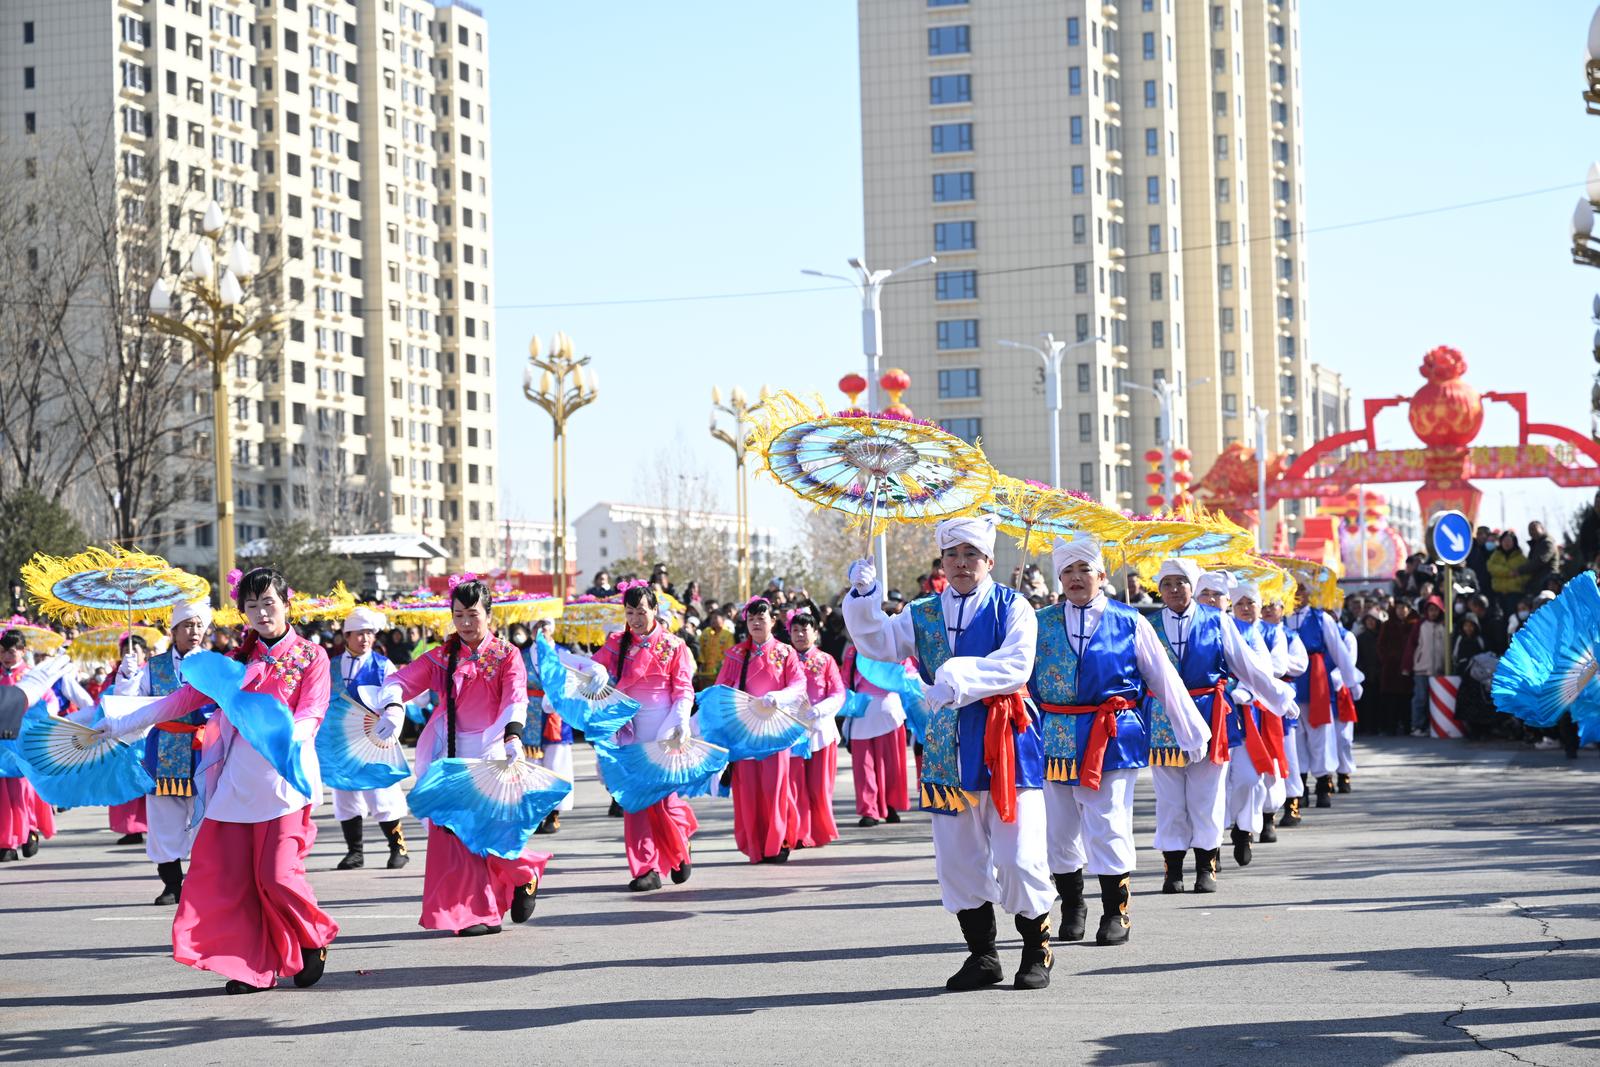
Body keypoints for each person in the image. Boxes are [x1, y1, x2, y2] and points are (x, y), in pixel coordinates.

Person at [94, 568, 338, 994]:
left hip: (285, 778)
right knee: (231, 878)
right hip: (237, 783)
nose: (262, 613)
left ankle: (311, 936)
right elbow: (182, 699)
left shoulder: (311, 656)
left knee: (277, 875)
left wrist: (284, 738)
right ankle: (251, 967)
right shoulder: (235, 662)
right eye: (252, 606)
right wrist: (120, 723)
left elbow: (312, 712)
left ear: (287, 605)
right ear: (243, 612)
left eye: (269, 603)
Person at [842, 515, 1054, 992]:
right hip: (947, 746)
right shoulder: (922, 611)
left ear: (989, 561)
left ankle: (1036, 948)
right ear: (941, 561)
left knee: (1018, 856)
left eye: (970, 555)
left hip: (1005, 740)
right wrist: (863, 597)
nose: (961, 563)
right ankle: (983, 955)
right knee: (957, 858)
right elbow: (878, 643)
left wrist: (956, 677)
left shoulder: (1013, 605)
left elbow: (1017, 664)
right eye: (952, 555)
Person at [1030, 538, 1207, 947]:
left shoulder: (1129, 621)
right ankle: (1073, 904)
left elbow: (1163, 676)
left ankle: (1115, 910)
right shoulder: (1039, 622)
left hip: (1112, 734)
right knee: (1058, 827)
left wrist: (1191, 730)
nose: (1076, 578)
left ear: (1102, 575)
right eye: (1068, 571)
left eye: (1084, 570)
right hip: (1056, 736)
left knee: (1108, 820)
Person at [375, 578, 546, 936]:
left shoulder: (506, 655)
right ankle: (479, 911)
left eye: (472, 614)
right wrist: (393, 706)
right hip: (448, 755)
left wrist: (512, 736)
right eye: (458, 615)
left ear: (488, 615)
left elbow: (515, 698)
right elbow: (400, 681)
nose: (465, 623)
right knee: (453, 836)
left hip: (491, 754)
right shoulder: (442, 656)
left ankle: (521, 873)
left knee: (486, 833)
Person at [1149, 563, 1294, 887]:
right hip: (1164, 717)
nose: (1174, 589)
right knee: (1170, 799)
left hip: (1209, 714)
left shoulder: (1217, 620)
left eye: (1181, 582)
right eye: (1167, 583)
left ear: (1193, 585)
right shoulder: (1147, 624)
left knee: (1207, 795)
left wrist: (1279, 696)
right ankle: (1173, 869)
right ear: (1159, 590)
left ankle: (1206, 866)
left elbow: (1247, 666)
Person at [590, 582, 698, 891]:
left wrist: (680, 720)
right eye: (630, 613)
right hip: (628, 730)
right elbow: (594, 671)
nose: (635, 619)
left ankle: (680, 842)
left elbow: (683, 688)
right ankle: (645, 869)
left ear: (654, 611)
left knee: (665, 801)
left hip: (663, 728)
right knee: (634, 801)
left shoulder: (674, 645)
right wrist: (595, 674)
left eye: (641, 612)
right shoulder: (616, 643)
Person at [109, 599, 217, 904]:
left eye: (198, 625)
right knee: (163, 819)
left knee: (207, 818)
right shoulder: (154, 667)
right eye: (187, 625)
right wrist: (127, 677)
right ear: (173, 630)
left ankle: (204, 882)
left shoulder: (215, 664)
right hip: (164, 750)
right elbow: (130, 705)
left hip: (205, 749)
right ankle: (172, 884)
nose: (194, 631)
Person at [715, 598, 806, 865]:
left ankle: (777, 842)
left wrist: (778, 696)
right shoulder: (735, 654)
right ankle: (755, 845)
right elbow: (721, 690)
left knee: (774, 787)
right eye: (751, 619)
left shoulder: (786, 652)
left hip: (775, 729)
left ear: (773, 622)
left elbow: (799, 684)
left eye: (761, 618)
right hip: (744, 731)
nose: (756, 623)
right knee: (748, 790)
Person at [329, 606, 409, 871]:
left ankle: (398, 848)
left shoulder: (383, 665)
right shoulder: (331, 665)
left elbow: (394, 697)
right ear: (347, 636)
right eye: (359, 633)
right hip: (341, 739)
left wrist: (392, 723)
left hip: (373, 738)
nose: (365, 639)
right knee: (345, 793)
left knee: (381, 792)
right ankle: (355, 852)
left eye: (369, 633)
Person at [1287, 577, 1361, 808]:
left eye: (1301, 589)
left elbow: (1339, 651)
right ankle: (1300, 786)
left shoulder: (1321, 618)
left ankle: (1322, 784)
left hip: (1316, 680)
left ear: (1309, 593)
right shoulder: (1282, 618)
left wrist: (1351, 681)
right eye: (1293, 589)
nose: (1297, 594)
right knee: (1295, 736)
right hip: (1290, 681)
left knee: (1320, 732)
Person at [0, 645, 75, 863]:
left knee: (22, 792)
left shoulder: (32, 674)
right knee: (3, 795)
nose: (6, 656)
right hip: (2, 744)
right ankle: (7, 841)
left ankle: (28, 830)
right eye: (2, 651)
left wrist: (38, 721)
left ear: (22, 651)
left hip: (23, 741)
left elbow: (51, 702)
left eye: (11, 651)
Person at [785, 612, 843, 851]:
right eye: (795, 631)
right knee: (794, 785)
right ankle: (798, 833)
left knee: (819, 786)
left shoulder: (826, 660)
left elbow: (838, 693)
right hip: (791, 732)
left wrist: (819, 711)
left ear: (815, 633)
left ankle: (819, 831)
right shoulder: (783, 658)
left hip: (820, 731)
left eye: (804, 630)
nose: (799, 635)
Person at [840, 640, 911, 827]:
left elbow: (908, 675)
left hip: (889, 710)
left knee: (891, 764)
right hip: (861, 711)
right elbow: (844, 682)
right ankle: (869, 809)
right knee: (864, 766)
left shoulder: (893, 647)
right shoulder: (853, 653)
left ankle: (890, 804)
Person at [516, 620, 573, 835]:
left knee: (556, 764)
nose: (541, 630)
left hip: (556, 715)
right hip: (530, 712)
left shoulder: (563, 654)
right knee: (531, 765)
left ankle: (554, 812)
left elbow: (572, 682)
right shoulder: (521, 655)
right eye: (537, 626)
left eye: (546, 625)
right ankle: (535, 811)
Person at [1403, 597, 1447, 737]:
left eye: (1435, 610)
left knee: (1435, 701)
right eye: (1430, 610)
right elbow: (1411, 645)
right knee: (1420, 698)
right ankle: (1417, 726)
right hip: (1422, 668)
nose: (1433, 613)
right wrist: (1407, 666)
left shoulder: (1444, 625)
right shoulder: (1420, 625)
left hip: (1439, 670)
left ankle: (1431, 725)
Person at [1377, 601, 1417, 737]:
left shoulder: (1414, 625)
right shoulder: (1387, 625)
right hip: (1391, 668)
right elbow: (1380, 645)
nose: (1401, 610)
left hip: (1408, 667)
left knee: (1406, 698)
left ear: (1409, 610)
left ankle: (1407, 726)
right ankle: (1390, 727)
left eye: (1404, 608)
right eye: (1399, 608)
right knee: (1391, 699)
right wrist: (1387, 659)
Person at [1487, 531, 1528, 616]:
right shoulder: (1496, 554)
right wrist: (1508, 573)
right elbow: (1491, 567)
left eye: (1509, 540)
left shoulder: (1521, 557)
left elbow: (1527, 574)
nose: (1506, 543)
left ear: (1514, 542)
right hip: (1498, 593)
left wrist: (1517, 581)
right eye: (1504, 540)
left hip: (1514, 595)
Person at [694, 607, 735, 691]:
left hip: (720, 674)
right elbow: (699, 648)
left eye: (715, 618)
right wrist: (701, 661)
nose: (712, 620)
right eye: (711, 618)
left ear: (723, 619)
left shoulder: (728, 635)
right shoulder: (706, 632)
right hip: (705, 673)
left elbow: (729, 654)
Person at [1520, 521, 1559, 594]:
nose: (1532, 532)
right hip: (1538, 578)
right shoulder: (1536, 544)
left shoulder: (1547, 542)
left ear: (1542, 528)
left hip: (1548, 578)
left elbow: (1541, 560)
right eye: (1530, 530)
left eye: (1534, 529)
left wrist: (1519, 570)